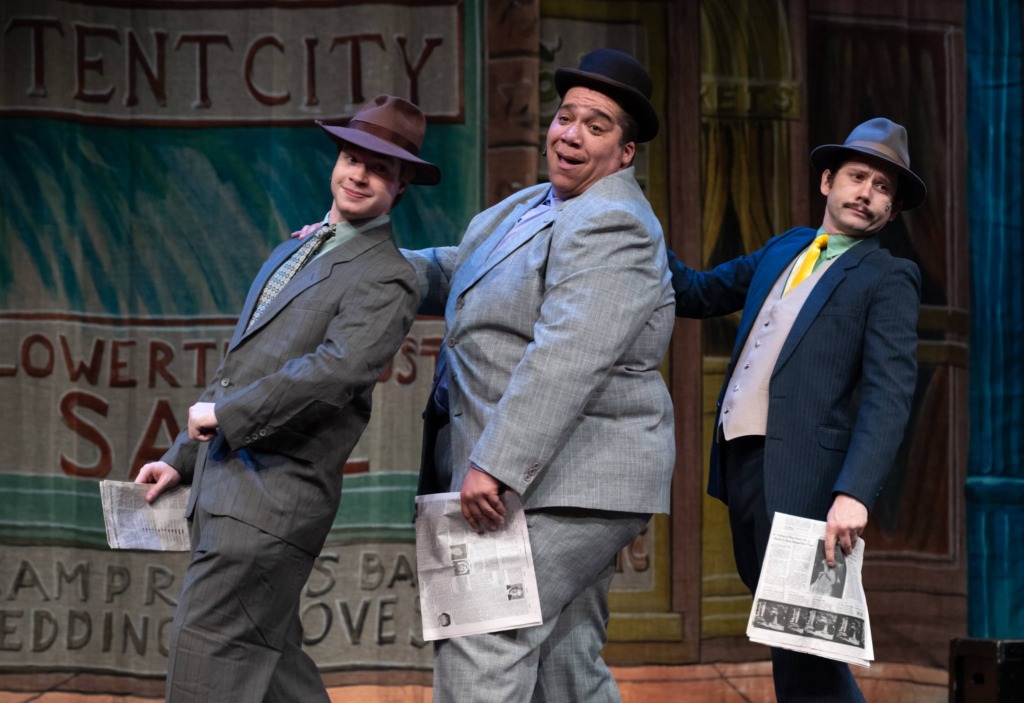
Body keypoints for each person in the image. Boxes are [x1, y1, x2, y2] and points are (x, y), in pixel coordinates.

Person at [134, 94, 440, 703]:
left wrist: (224, 417)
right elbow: (241, 366)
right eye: (352, 158)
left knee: (207, 675)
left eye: (379, 168)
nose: (358, 175)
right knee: (273, 672)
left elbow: (335, 372)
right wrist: (181, 457)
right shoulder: (299, 247)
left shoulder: (387, 274)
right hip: (230, 485)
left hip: (270, 501)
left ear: (401, 183)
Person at [406, 49, 675, 702]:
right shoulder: (529, 206)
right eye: (566, 116)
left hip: (566, 478)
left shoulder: (612, 220)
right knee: (564, 663)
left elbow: (569, 353)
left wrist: (495, 462)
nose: (571, 133)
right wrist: (366, 264)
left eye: (597, 125)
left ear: (625, 152)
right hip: (548, 474)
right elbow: (456, 268)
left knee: (484, 633)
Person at [670, 117, 925, 701]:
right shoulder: (786, 247)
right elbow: (701, 292)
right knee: (794, 643)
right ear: (827, 182)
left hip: (811, 482)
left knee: (805, 646)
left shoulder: (888, 277)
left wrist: (854, 492)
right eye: (858, 177)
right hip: (746, 463)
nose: (867, 193)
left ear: (891, 209)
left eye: (883, 188)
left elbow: (890, 393)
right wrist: (630, 229)